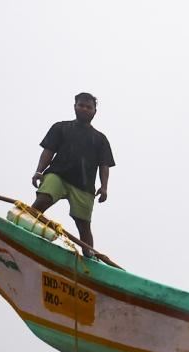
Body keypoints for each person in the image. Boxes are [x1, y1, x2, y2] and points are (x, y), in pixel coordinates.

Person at [31, 92, 115, 258]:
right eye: (81, 105)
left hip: (84, 186)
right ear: (75, 107)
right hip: (58, 175)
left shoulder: (100, 139)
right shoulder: (60, 127)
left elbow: (104, 165)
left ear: (94, 111)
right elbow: (48, 151)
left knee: (83, 225)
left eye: (88, 107)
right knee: (42, 200)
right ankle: (23, 226)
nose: (84, 109)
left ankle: (89, 257)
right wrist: (39, 170)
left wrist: (104, 187)